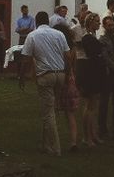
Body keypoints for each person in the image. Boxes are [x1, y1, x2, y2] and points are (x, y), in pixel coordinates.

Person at [22, 11, 70, 155]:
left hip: (45, 75)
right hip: (60, 74)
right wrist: (68, 73)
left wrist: (23, 76)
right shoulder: (59, 34)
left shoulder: (32, 36)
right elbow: (67, 55)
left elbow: (26, 58)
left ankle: (55, 148)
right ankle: (46, 144)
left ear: (36, 22)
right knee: (51, 109)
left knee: (48, 112)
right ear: (47, 22)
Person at [77, 13, 106, 148]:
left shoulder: (92, 37)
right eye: (97, 22)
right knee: (89, 106)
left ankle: (93, 134)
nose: (99, 24)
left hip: (95, 72)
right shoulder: (87, 37)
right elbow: (93, 54)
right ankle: (86, 137)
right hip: (90, 73)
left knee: (94, 106)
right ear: (91, 23)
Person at [53, 23, 81, 151]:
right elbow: (74, 66)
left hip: (59, 78)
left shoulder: (57, 47)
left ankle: (53, 141)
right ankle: (73, 142)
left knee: (54, 112)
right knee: (70, 114)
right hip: (71, 80)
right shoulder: (73, 48)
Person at [14, 5, 35, 87]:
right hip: (21, 38)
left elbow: (31, 28)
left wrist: (23, 29)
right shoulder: (19, 20)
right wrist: (22, 29)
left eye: (27, 10)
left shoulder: (31, 19)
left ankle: (29, 73)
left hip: (28, 38)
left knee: (29, 55)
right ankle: (19, 74)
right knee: (21, 55)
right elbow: (17, 29)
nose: (26, 11)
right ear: (22, 11)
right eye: (25, 10)